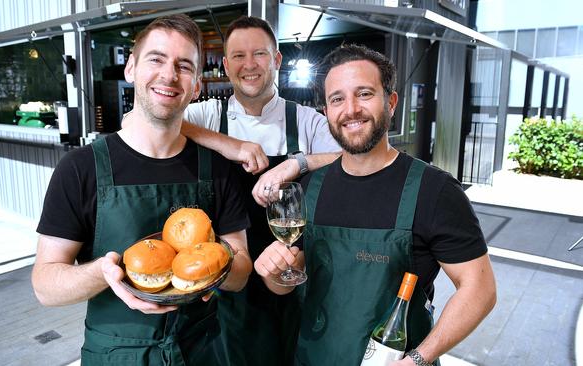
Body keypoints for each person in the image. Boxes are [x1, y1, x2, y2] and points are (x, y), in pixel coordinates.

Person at [254, 44, 497, 366]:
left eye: (364, 93)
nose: (351, 109)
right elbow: (287, 283)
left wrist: (418, 359)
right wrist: (273, 273)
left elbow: (479, 290)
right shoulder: (309, 188)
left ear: (391, 102)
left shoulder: (434, 190)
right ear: (326, 111)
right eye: (337, 99)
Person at [31, 14, 252, 366]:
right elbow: (45, 284)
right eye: (156, 59)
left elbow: (240, 273)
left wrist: (214, 273)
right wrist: (103, 271)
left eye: (184, 66)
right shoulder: (80, 169)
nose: (168, 74)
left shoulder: (218, 169)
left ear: (196, 86)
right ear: (131, 68)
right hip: (116, 355)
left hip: (203, 351)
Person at [180, 16, 340, 366]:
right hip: (226, 283)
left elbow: (354, 157)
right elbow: (139, 121)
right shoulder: (208, 114)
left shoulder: (305, 120)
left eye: (259, 54)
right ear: (225, 65)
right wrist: (230, 145)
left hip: (290, 278)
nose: (248, 65)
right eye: (238, 56)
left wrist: (297, 163)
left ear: (277, 60)